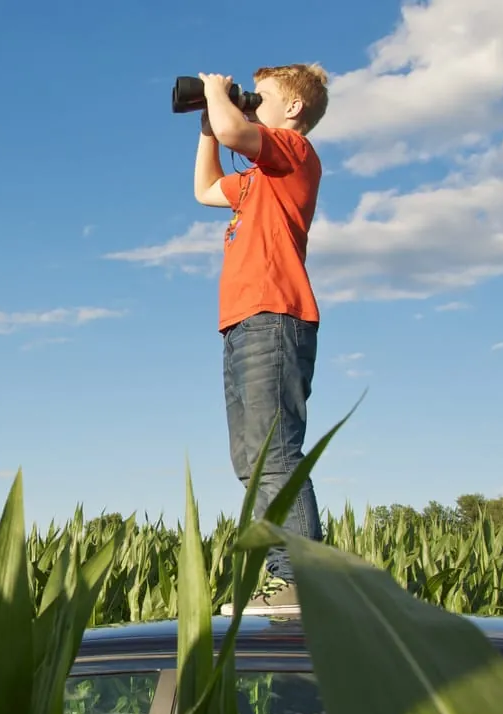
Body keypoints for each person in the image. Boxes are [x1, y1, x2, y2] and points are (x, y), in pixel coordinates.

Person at [192, 65, 330, 616]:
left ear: (292, 109)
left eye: (260, 97)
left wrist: (216, 95)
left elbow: (235, 134)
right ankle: (283, 581)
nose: (249, 105)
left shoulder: (293, 151)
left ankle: (300, 580)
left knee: (274, 454)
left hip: (275, 315)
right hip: (242, 322)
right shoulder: (254, 180)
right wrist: (208, 120)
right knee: (250, 461)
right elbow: (204, 189)